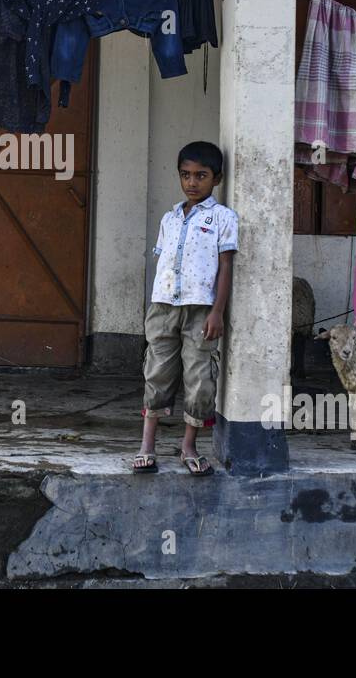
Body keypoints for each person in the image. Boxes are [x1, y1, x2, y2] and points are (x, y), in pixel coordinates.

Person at [133, 141, 237, 477]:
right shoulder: (169, 217)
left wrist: (217, 311)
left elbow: (225, 266)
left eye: (201, 176)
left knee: (199, 376)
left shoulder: (223, 218)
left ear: (216, 179)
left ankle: (188, 446)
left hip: (201, 310)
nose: (192, 182)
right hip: (163, 305)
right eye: (186, 175)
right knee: (157, 371)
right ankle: (147, 445)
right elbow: (164, 260)